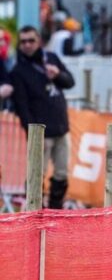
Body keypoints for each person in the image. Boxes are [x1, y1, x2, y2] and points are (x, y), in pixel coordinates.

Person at [10, 26, 75, 209]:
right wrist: (33, 134)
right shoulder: (19, 71)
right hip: (41, 133)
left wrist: (58, 75)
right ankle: (36, 213)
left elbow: (70, 82)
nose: (27, 45)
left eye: (31, 40)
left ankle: (56, 212)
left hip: (61, 127)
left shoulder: (51, 58)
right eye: (23, 41)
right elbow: (22, 107)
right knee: (36, 176)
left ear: (38, 41)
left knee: (62, 174)